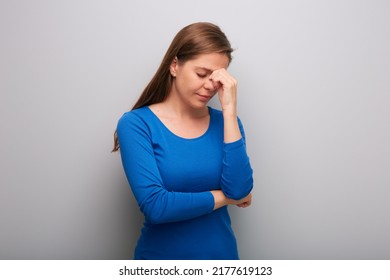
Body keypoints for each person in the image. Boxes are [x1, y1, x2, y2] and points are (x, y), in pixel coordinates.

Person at [113, 22, 253, 260]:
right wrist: (226, 197)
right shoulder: (137, 124)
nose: (210, 86)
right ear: (175, 65)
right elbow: (157, 206)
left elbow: (240, 188)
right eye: (201, 74)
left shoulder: (228, 125)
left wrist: (229, 110)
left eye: (217, 78)